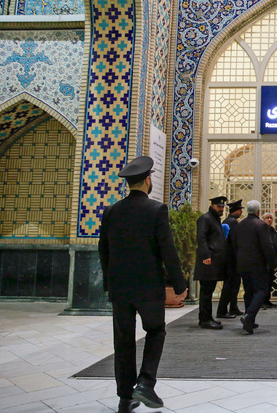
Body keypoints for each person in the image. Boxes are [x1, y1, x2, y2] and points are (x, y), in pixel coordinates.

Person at [98, 156, 187, 413]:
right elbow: (166, 250)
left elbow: (103, 250)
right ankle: (146, 383)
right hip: (148, 287)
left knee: (123, 340)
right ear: (148, 180)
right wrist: (179, 282)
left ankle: (125, 398)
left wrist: (108, 282)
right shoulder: (156, 210)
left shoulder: (111, 211)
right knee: (155, 331)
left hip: (120, 288)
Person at [231, 200, 277, 334]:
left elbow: (235, 245)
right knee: (261, 291)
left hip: (242, 263)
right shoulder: (261, 225)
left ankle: (249, 321)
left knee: (249, 291)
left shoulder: (240, 225)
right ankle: (249, 316)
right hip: (257, 264)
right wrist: (273, 263)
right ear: (258, 211)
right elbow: (267, 245)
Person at [194, 195, 229, 330]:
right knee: (206, 292)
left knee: (209, 290)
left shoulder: (215, 220)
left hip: (214, 261)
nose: (221, 209)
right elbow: (201, 237)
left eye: (222, 207)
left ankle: (208, 317)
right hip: (208, 261)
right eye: (219, 206)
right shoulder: (206, 218)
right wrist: (206, 255)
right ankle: (204, 320)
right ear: (212, 206)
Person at [217, 199, 244, 318]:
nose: (241, 213)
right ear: (237, 211)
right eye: (240, 210)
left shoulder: (227, 221)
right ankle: (222, 310)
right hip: (232, 259)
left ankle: (233, 307)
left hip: (228, 258)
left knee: (233, 284)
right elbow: (235, 242)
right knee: (230, 285)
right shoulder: (233, 223)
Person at [262, 212, 277, 309]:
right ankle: (262, 301)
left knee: (270, 282)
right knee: (264, 282)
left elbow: (275, 247)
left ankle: (267, 300)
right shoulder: (261, 230)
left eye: (271, 218)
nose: (269, 220)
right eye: (267, 218)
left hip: (272, 261)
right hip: (264, 261)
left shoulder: (273, 231)